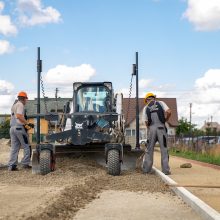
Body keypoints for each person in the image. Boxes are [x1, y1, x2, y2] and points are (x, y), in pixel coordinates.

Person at [142, 92, 171, 175]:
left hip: (151, 129)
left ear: (147, 100)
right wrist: (165, 120)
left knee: (149, 150)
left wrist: (150, 129)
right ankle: (166, 170)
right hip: (161, 128)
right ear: (154, 98)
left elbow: (146, 121)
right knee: (164, 149)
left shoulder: (146, 108)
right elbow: (169, 112)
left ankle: (146, 170)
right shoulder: (161, 103)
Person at [8, 91, 33, 171]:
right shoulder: (20, 105)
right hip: (19, 128)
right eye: (26, 99)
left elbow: (15, 117)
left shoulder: (14, 105)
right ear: (24, 99)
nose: (26, 101)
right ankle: (25, 164)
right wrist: (27, 123)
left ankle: (12, 166)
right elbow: (19, 116)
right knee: (27, 146)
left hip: (12, 128)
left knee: (14, 148)